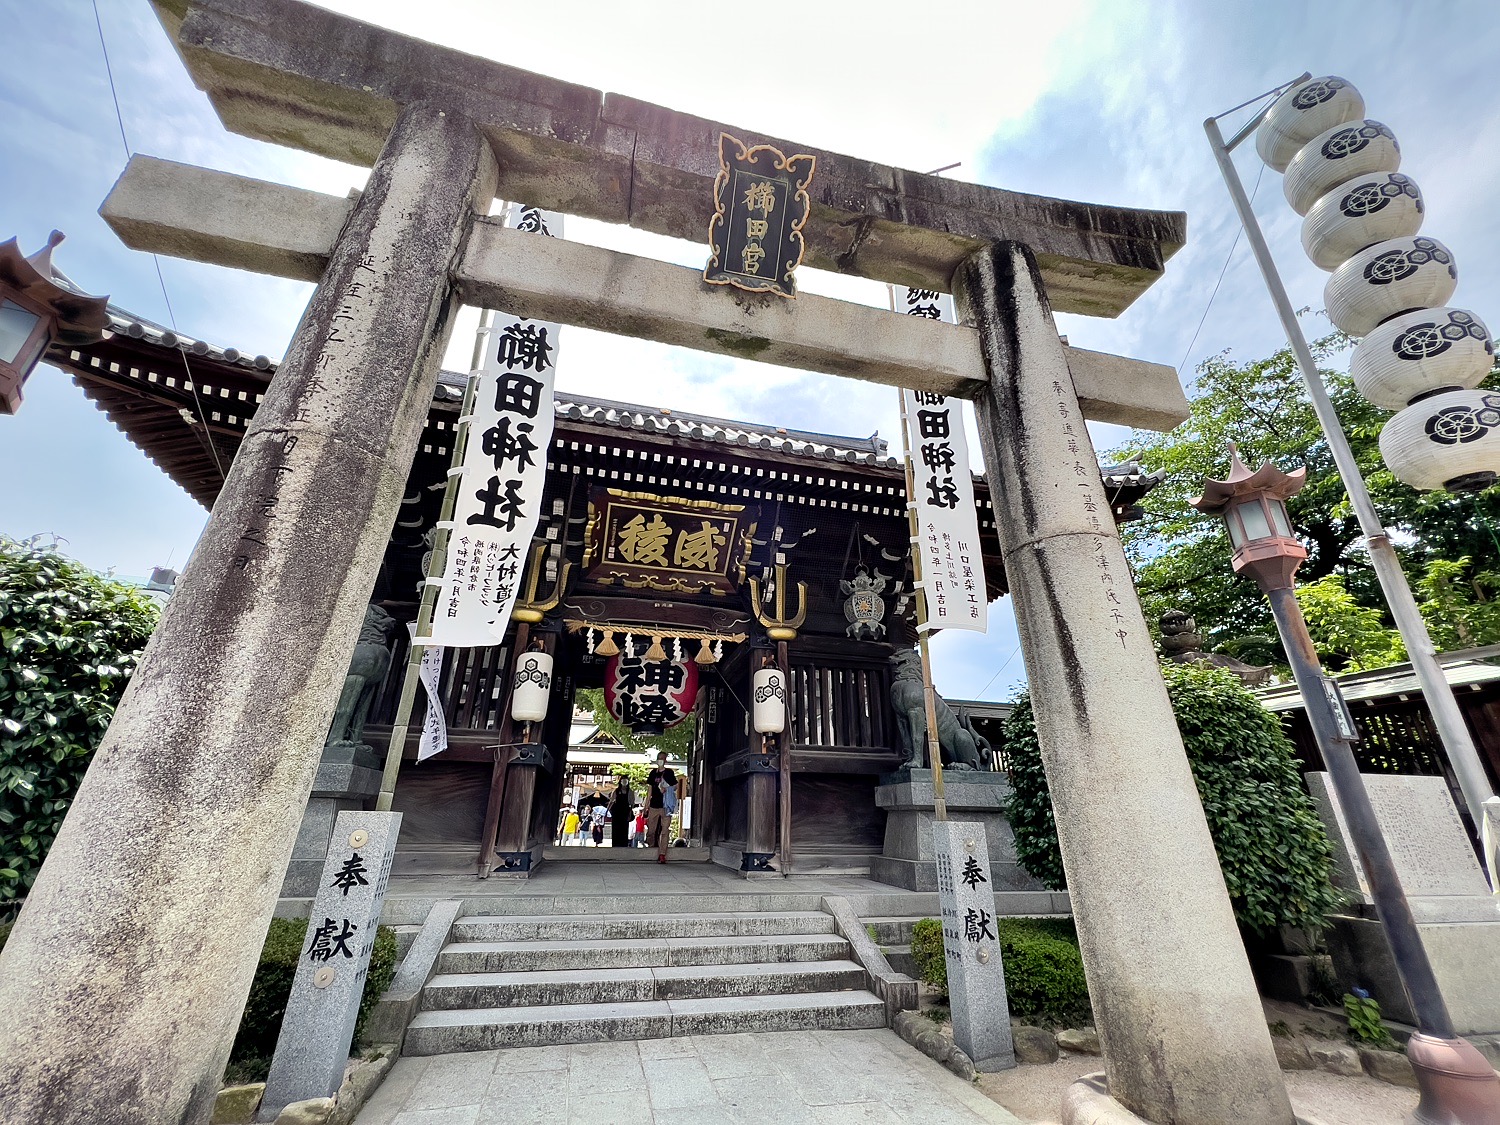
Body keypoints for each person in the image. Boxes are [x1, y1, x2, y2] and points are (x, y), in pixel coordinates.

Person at [645, 750, 677, 863]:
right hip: (654, 805)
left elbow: (675, 787)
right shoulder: (653, 773)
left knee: (665, 830)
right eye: (659, 758)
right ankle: (651, 848)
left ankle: (662, 854)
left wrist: (666, 787)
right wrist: (646, 807)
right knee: (651, 831)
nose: (660, 761)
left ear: (665, 760)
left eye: (663, 759)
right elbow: (649, 791)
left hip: (665, 806)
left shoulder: (669, 773)